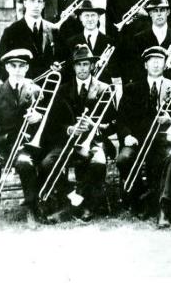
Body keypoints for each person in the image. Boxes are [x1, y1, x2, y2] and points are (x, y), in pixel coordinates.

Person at [39, 44, 117, 222]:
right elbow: (52, 122)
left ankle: (80, 203)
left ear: (92, 66)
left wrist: (95, 126)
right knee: (47, 163)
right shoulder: (62, 89)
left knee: (98, 163)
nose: (82, 68)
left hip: (94, 140)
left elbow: (113, 123)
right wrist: (69, 129)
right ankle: (72, 199)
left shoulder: (105, 88)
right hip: (67, 140)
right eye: (79, 64)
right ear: (74, 67)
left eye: (86, 64)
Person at [116, 46, 171, 227]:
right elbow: (121, 118)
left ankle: (162, 207)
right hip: (138, 140)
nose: (156, 64)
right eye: (152, 61)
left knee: (169, 158)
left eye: (160, 61)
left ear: (165, 64)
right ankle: (142, 196)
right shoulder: (132, 88)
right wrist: (126, 136)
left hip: (164, 140)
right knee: (124, 159)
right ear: (145, 65)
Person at [0, 49, 44, 230]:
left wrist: (39, 118)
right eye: (13, 66)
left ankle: (31, 209)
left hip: (22, 146)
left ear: (27, 68)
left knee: (26, 164)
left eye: (21, 66)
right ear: (7, 67)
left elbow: (49, 121)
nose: (17, 70)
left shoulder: (36, 91)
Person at [0, 0, 60, 82]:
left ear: (43, 5)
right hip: (22, 94)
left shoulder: (52, 29)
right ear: (25, 3)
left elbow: (61, 59)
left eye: (39, 1)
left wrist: (57, 65)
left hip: (48, 92)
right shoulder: (12, 31)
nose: (36, 5)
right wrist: (15, 86)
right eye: (32, 1)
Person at [126, 0, 171, 83]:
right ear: (150, 13)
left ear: (168, 12)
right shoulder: (138, 38)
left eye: (162, 10)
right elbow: (135, 68)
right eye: (155, 11)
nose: (159, 14)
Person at [64, 0, 119, 84]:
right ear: (80, 18)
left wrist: (106, 65)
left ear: (98, 17)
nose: (90, 19)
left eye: (93, 15)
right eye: (86, 16)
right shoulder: (70, 42)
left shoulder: (110, 42)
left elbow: (116, 70)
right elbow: (68, 69)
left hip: (103, 90)